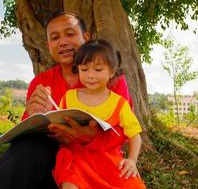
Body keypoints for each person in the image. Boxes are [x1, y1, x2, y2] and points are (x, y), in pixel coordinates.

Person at [0, 12, 133, 189]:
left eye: (70, 34)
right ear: (48, 45)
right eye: (55, 37)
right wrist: (32, 114)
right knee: (30, 147)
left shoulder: (111, 78)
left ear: (86, 37)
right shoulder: (41, 83)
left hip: (97, 163)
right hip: (54, 164)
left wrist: (89, 137)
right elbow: (24, 143)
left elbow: (124, 131)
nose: (63, 42)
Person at [53, 38, 146, 189]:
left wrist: (132, 160)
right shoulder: (69, 97)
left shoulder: (119, 104)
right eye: (84, 69)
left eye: (98, 70)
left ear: (112, 71)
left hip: (108, 159)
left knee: (134, 185)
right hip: (76, 158)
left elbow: (135, 136)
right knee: (71, 184)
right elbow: (60, 126)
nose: (90, 75)